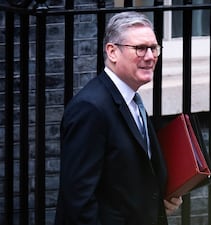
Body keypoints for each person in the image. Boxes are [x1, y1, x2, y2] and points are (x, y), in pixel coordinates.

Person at [54, 11, 183, 225]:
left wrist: (161, 202)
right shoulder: (90, 108)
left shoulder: (132, 99)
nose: (150, 56)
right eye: (140, 48)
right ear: (112, 52)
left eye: (153, 48)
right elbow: (79, 200)